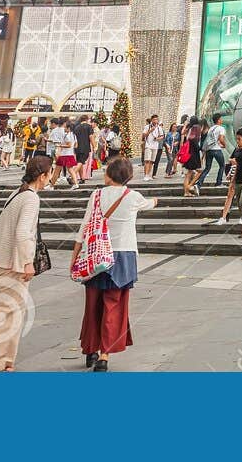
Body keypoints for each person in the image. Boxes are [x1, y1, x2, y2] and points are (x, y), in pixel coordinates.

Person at [74, 157, 157, 371]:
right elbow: (149, 204)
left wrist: (74, 257)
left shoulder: (96, 195)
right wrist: (155, 200)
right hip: (122, 256)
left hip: (95, 254)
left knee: (92, 304)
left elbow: (84, 227)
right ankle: (104, 355)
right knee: (114, 305)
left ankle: (90, 349)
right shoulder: (133, 196)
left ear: (110, 174)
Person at [0, 156, 52, 371]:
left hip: (1, 259)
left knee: (14, 315)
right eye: (50, 173)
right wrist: (27, 263)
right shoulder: (31, 198)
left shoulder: (18, 193)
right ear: (42, 176)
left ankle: (6, 362)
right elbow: (22, 233)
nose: (51, 178)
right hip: (13, 264)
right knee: (6, 316)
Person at [50, 118, 79, 188]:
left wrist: (60, 145)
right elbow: (76, 145)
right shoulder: (73, 135)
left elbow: (69, 145)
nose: (64, 129)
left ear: (68, 128)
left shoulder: (67, 135)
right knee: (70, 170)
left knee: (57, 170)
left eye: (65, 127)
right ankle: (75, 184)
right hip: (70, 154)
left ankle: (51, 185)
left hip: (64, 155)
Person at [201, 114, 229, 187]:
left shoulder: (211, 128)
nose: (222, 120)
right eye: (221, 119)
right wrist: (224, 145)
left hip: (209, 150)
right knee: (222, 165)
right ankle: (218, 182)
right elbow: (221, 138)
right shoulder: (221, 128)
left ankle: (199, 183)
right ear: (219, 120)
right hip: (216, 149)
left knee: (207, 168)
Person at [182, 117, 206, 194]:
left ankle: (186, 192)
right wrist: (199, 148)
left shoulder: (190, 128)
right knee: (199, 171)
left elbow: (188, 138)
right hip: (194, 154)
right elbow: (194, 139)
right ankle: (190, 186)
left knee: (188, 173)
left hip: (188, 153)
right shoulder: (196, 128)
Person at [141, 115, 165, 181]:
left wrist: (158, 138)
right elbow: (144, 135)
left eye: (156, 119)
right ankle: (145, 175)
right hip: (148, 145)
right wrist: (150, 131)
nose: (155, 121)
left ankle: (149, 175)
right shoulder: (147, 127)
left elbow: (162, 136)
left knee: (151, 161)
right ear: (151, 120)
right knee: (147, 160)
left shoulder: (159, 128)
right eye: (154, 119)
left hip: (155, 146)